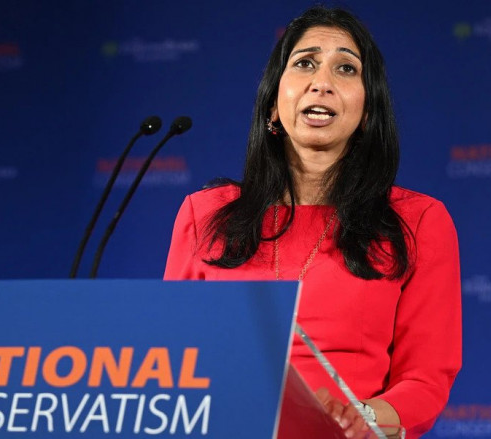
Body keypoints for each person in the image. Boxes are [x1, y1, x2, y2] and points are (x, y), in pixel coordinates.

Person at [164, 5, 461, 439]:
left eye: (346, 68)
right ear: (273, 103)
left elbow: (426, 378)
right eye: (305, 63)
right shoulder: (205, 213)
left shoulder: (417, 222)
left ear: (368, 111)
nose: (322, 82)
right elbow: (171, 362)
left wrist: (361, 418)